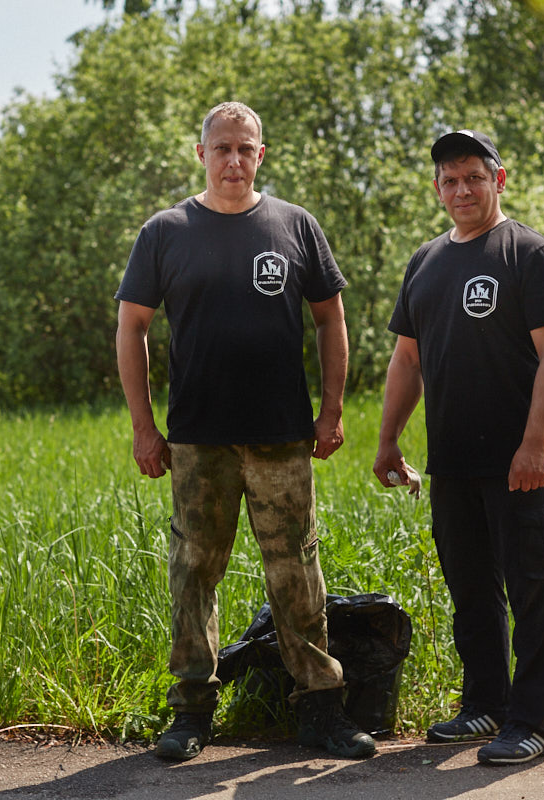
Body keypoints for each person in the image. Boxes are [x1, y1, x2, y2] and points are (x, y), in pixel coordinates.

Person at [115, 101, 376, 762]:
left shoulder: (294, 226)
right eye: (221, 147)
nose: (233, 159)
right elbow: (132, 327)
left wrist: (332, 408)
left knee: (297, 570)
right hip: (197, 439)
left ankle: (320, 707)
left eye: (245, 148)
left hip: (281, 434)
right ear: (201, 154)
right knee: (194, 570)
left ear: (262, 155)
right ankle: (192, 710)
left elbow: (330, 318)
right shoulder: (166, 231)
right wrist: (145, 428)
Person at [372, 129, 544, 765]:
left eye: (474, 177)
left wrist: (535, 443)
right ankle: (485, 703)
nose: (462, 189)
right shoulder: (425, 261)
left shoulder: (530, 254)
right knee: (470, 589)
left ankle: (533, 719)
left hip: (519, 461)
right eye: (450, 180)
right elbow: (407, 359)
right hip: (452, 463)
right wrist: (387, 440)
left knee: (531, 586)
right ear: (437, 188)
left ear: (499, 179)